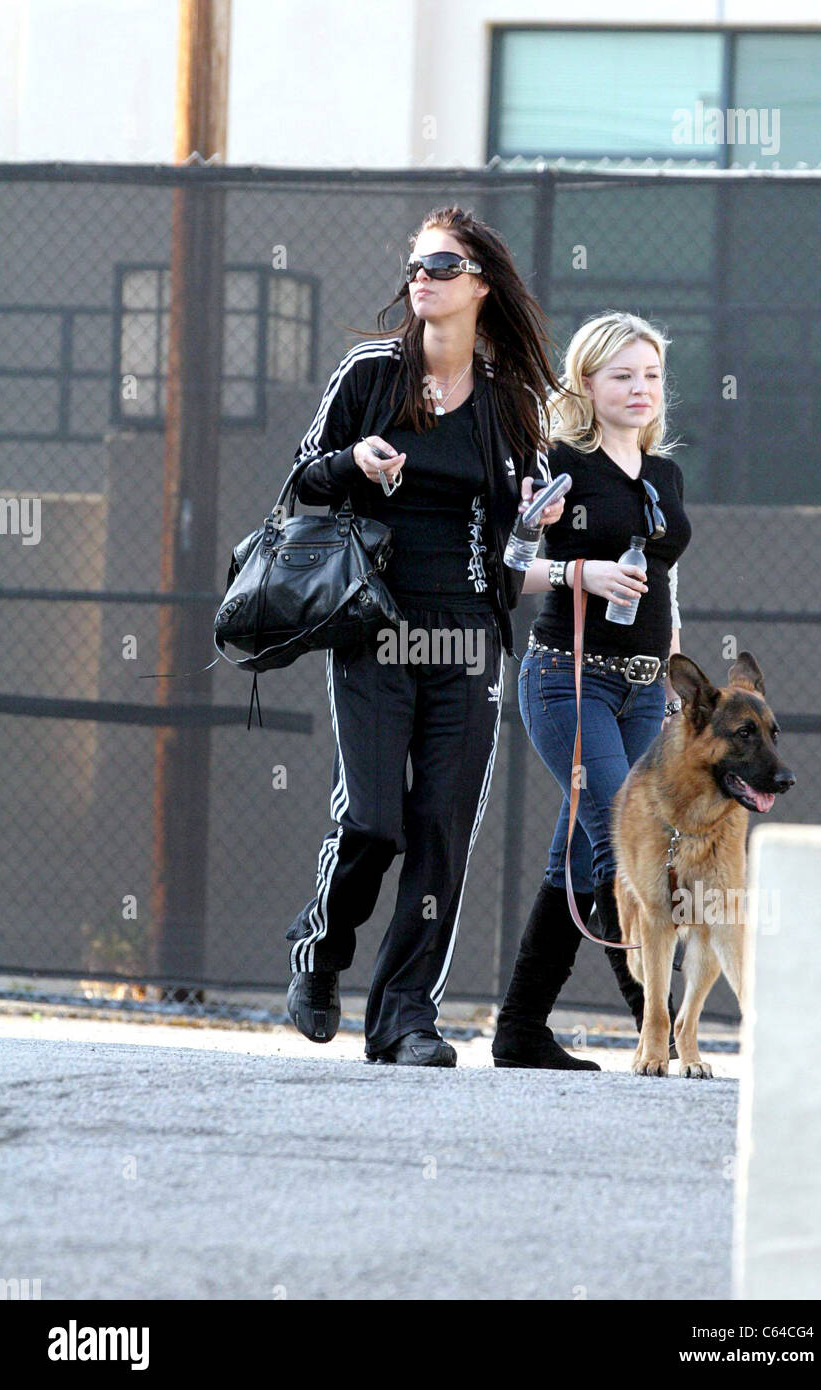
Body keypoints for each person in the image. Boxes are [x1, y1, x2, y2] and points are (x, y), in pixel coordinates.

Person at [282, 206, 567, 1067]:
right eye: (416, 266)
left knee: (441, 831)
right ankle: (323, 949)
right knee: (371, 823)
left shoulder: (513, 403)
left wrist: (531, 522)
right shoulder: (370, 373)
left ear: (480, 284)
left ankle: (407, 1016)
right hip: (374, 628)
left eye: (443, 266)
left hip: (468, 638)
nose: (423, 279)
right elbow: (301, 484)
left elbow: (519, 560)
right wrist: (353, 464)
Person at [492, 312, 692, 1070]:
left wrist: (677, 684)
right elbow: (509, 570)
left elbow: (669, 581)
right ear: (587, 383)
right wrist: (582, 572)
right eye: (623, 376)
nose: (640, 389)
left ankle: (519, 1030)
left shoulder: (664, 474)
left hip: (645, 693)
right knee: (627, 842)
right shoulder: (557, 462)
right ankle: (661, 1028)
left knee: (576, 857)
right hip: (567, 681)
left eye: (651, 375)